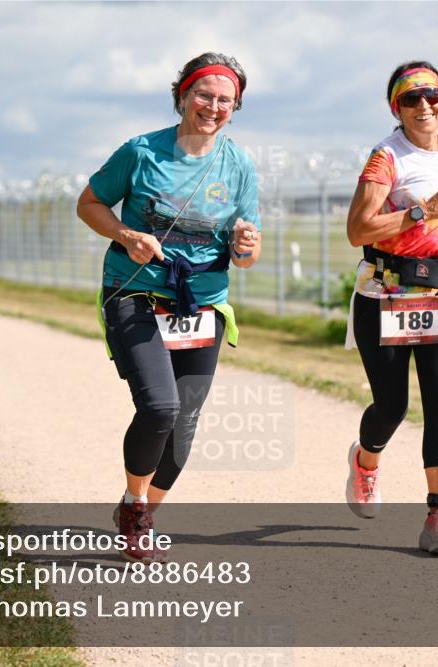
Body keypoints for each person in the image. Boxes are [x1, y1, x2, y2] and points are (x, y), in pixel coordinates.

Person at [76, 52, 261, 563]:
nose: (213, 107)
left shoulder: (239, 165)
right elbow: (88, 204)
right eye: (204, 94)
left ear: (235, 107)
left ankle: (141, 510)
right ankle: (136, 508)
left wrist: (246, 246)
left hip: (201, 303)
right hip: (134, 291)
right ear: (182, 95)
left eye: (226, 100)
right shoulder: (140, 152)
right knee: (160, 407)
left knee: (184, 424)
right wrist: (126, 234)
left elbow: (246, 250)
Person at [344, 60, 438, 556]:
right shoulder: (385, 158)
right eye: (411, 97)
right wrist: (418, 213)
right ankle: (366, 461)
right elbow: (358, 230)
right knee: (393, 406)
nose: (424, 105)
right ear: (397, 107)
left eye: (432, 95)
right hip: (385, 293)